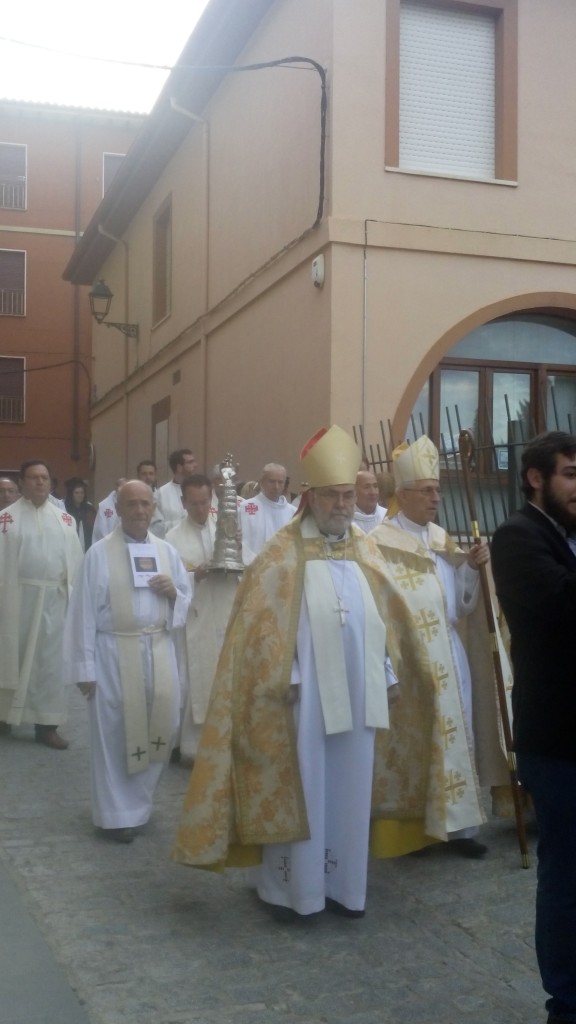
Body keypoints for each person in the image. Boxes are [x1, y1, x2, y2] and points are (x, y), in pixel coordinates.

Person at [173, 426, 477, 919]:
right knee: (306, 787)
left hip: (359, 697)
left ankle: (345, 888)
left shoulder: (365, 549)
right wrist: (287, 677)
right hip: (301, 700)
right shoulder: (280, 554)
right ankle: (292, 892)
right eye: (332, 496)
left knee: (350, 788)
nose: (342, 505)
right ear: (310, 497)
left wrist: (388, 673)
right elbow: (263, 629)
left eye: (346, 495)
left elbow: (382, 621)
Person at [372, 435, 496, 858]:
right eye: (427, 491)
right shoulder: (379, 541)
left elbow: (460, 602)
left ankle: (461, 829)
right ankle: (416, 832)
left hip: (450, 651)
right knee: (417, 740)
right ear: (402, 495)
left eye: (438, 491)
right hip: (409, 657)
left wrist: (475, 568)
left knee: (456, 735)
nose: (435, 498)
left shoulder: (442, 538)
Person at [491, 431, 576, 1024]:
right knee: (567, 874)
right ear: (536, 478)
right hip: (558, 737)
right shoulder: (517, 537)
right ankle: (566, 1002)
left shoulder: (566, 537)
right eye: (571, 474)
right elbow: (565, 607)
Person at [63, 480, 192, 843]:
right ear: (118, 509)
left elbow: (186, 603)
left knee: (159, 730)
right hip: (112, 654)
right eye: (131, 505)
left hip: (158, 648)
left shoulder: (167, 552)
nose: (139, 511)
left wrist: (174, 594)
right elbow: (83, 612)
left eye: (145, 504)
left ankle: (140, 805)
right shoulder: (99, 554)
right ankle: (115, 815)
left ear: (154, 508)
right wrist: (84, 669)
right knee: (114, 733)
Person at [0, 459, 83, 748]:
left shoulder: (65, 520)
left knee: (50, 664)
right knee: (12, 656)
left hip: (54, 601)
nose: (39, 482)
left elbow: (75, 562)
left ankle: (47, 724)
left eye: (44, 478)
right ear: (21, 482)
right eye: (33, 477)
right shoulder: (6, 520)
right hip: (17, 598)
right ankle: (3, 716)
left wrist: (74, 602)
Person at [166, 473, 239, 760]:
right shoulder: (172, 537)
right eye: (194, 503)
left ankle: (223, 742)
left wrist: (238, 548)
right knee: (190, 681)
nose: (200, 509)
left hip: (222, 610)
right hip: (194, 614)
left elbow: (246, 564)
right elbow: (170, 579)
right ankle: (188, 746)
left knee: (223, 678)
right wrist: (195, 575)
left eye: (205, 502)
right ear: (183, 502)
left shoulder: (226, 528)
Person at [239, 462, 294, 564]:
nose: (276, 486)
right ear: (262, 482)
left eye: (280, 482)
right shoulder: (246, 508)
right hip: (252, 568)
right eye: (272, 481)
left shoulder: (293, 512)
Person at [156, 449, 197, 533]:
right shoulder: (161, 493)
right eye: (190, 462)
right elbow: (156, 527)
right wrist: (185, 523)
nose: (195, 465)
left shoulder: (199, 491)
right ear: (179, 468)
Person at [64, 477, 96, 551]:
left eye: (82, 493)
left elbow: (95, 529)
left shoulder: (90, 509)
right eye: (77, 493)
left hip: (88, 546)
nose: (80, 495)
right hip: (71, 547)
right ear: (71, 494)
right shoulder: (65, 510)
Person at [136, 460, 165, 537]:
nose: (148, 477)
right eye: (144, 474)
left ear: (155, 476)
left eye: (151, 474)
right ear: (138, 476)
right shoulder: (132, 498)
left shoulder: (162, 496)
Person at [353, 468, 387, 533]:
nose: (373, 492)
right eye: (367, 487)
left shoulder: (386, 516)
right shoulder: (345, 520)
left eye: (375, 486)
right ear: (354, 491)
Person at [92, 477, 126, 542]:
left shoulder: (131, 503)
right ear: (116, 489)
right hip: (108, 542)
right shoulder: (104, 506)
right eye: (121, 489)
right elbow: (100, 529)